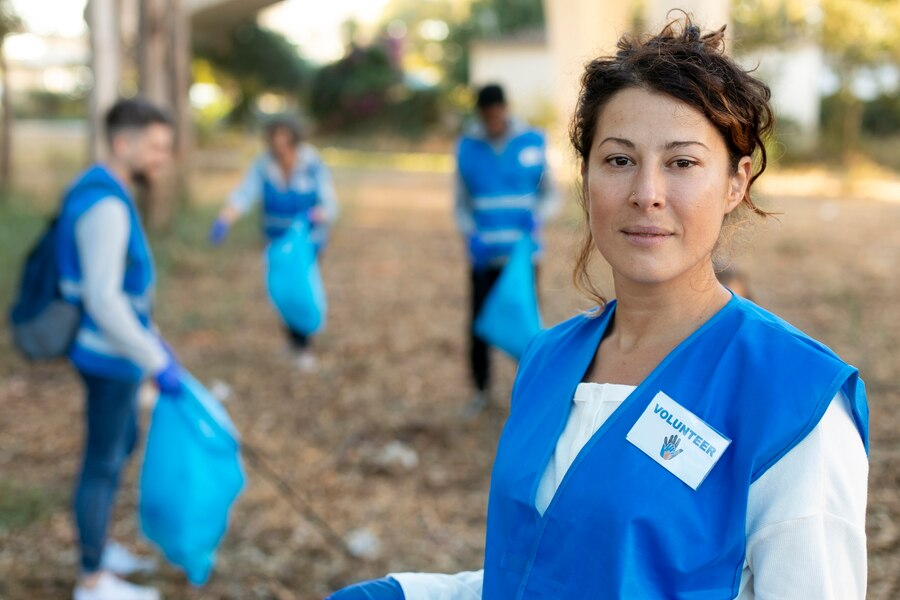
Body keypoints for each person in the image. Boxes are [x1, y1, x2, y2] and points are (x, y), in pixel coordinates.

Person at [327, 16, 869, 599]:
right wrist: (410, 592)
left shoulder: (793, 400)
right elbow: (549, 573)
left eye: (682, 163)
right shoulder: (548, 360)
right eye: (618, 160)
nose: (647, 193)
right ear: (584, 177)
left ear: (735, 183)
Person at [56, 98, 182, 600]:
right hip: (106, 358)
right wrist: (156, 360)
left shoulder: (108, 191)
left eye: (165, 148)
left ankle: (100, 549)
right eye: (155, 147)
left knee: (117, 449)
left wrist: (152, 343)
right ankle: (91, 579)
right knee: (102, 462)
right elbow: (104, 300)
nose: (161, 158)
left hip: (120, 355)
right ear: (122, 142)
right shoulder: (105, 204)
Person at [455, 84, 559, 414]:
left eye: (497, 115)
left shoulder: (532, 141)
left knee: (527, 323)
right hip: (484, 255)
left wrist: (538, 217)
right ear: (481, 115)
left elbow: (551, 195)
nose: (493, 122)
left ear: (505, 109)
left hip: (523, 257)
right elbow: (461, 204)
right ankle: (481, 391)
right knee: (480, 323)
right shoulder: (467, 148)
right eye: (487, 118)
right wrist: (469, 233)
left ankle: (528, 392)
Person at [208, 116, 338, 372]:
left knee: (302, 292)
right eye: (275, 140)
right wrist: (225, 219)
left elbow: (330, 204)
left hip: (307, 244)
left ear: (294, 139)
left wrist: (315, 215)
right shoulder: (263, 165)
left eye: (285, 140)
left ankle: (304, 346)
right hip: (276, 244)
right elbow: (244, 195)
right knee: (282, 292)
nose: (280, 146)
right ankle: (292, 342)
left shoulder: (312, 164)